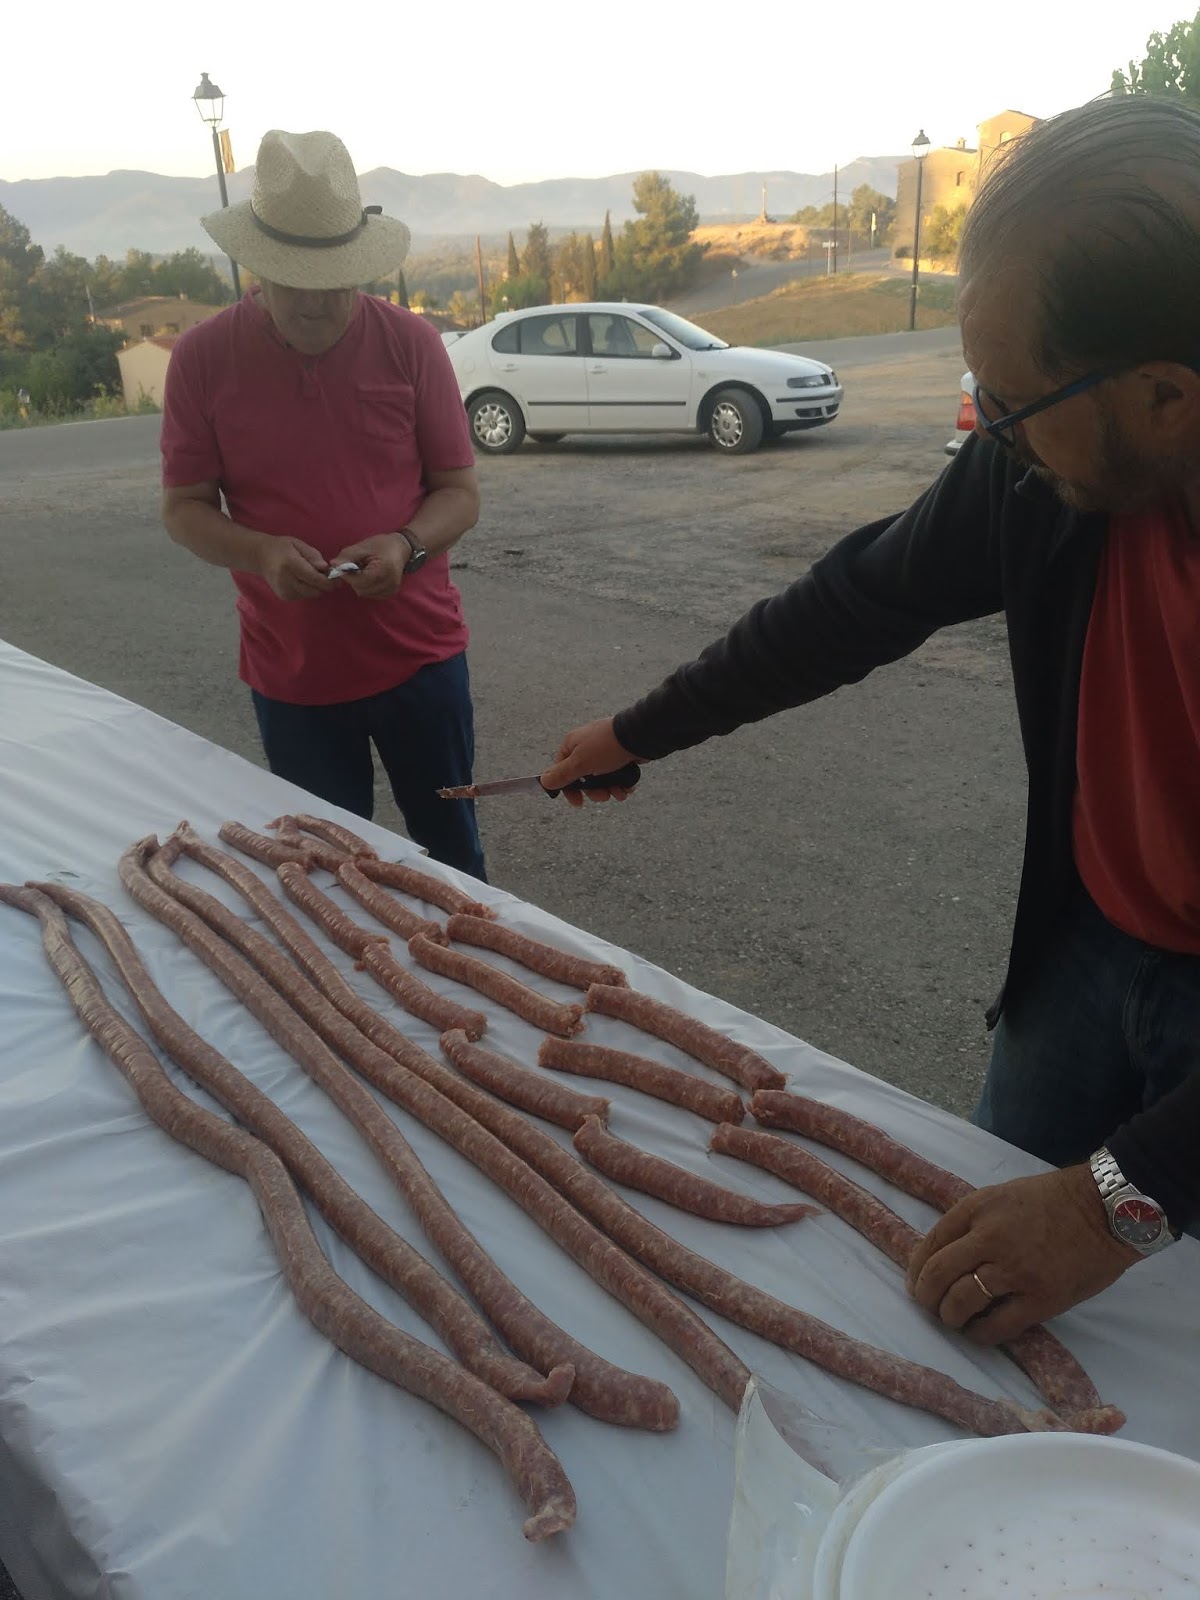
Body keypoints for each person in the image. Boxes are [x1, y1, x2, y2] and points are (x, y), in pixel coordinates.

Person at [541, 95, 1200, 1344]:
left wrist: (1110, 1206)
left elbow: (1108, 1213)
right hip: (1087, 943)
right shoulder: (1048, 461)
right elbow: (860, 600)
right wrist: (640, 730)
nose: (989, 432)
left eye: (1011, 401)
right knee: (975, 1266)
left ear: (1166, 395)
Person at [160, 129, 484, 878]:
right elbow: (183, 507)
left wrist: (406, 545)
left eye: (335, 279)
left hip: (422, 661)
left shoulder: (412, 343)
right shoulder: (201, 359)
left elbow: (460, 493)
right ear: (256, 267)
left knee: (454, 859)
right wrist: (260, 552)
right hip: (293, 676)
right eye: (292, 279)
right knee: (326, 874)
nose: (315, 301)